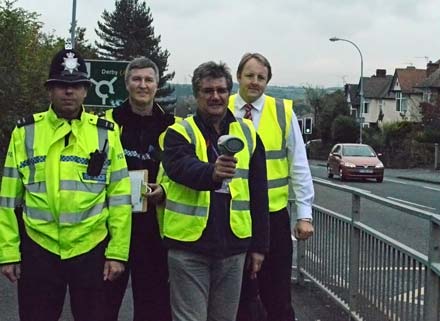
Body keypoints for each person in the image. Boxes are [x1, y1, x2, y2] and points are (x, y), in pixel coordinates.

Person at [0, 47, 132, 321]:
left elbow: (119, 196)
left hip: (92, 249)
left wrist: (117, 252)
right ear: (50, 90)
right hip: (39, 249)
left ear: (86, 90)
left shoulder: (105, 134)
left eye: (75, 85)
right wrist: (8, 252)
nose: (68, 92)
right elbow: (8, 199)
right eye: (61, 85)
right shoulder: (25, 132)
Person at [159, 61, 269, 321]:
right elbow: (180, 168)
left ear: (229, 93)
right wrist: (212, 173)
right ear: (196, 95)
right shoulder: (179, 133)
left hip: (233, 247)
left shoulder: (248, 133)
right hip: (188, 247)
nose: (215, 96)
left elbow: (259, 192)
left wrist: (260, 247)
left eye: (221, 90)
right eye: (208, 91)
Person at [229, 53, 315, 321]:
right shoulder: (223, 106)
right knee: (236, 298)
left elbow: (298, 164)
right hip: (233, 216)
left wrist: (304, 214)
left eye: (261, 77)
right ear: (238, 77)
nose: (255, 82)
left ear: (268, 80)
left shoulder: (282, 112)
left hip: (272, 216)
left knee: (277, 297)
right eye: (249, 76)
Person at [103, 57, 175, 321]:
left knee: (153, 308)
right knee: (102, 305)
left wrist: (164, 191)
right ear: (127, 84)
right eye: (136, 79)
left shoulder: (172, 126)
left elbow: (180, 172)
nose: (142, 85)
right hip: (111, 228)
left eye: (148, 80)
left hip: (154, 230)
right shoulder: (106, 123)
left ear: (157, 85)